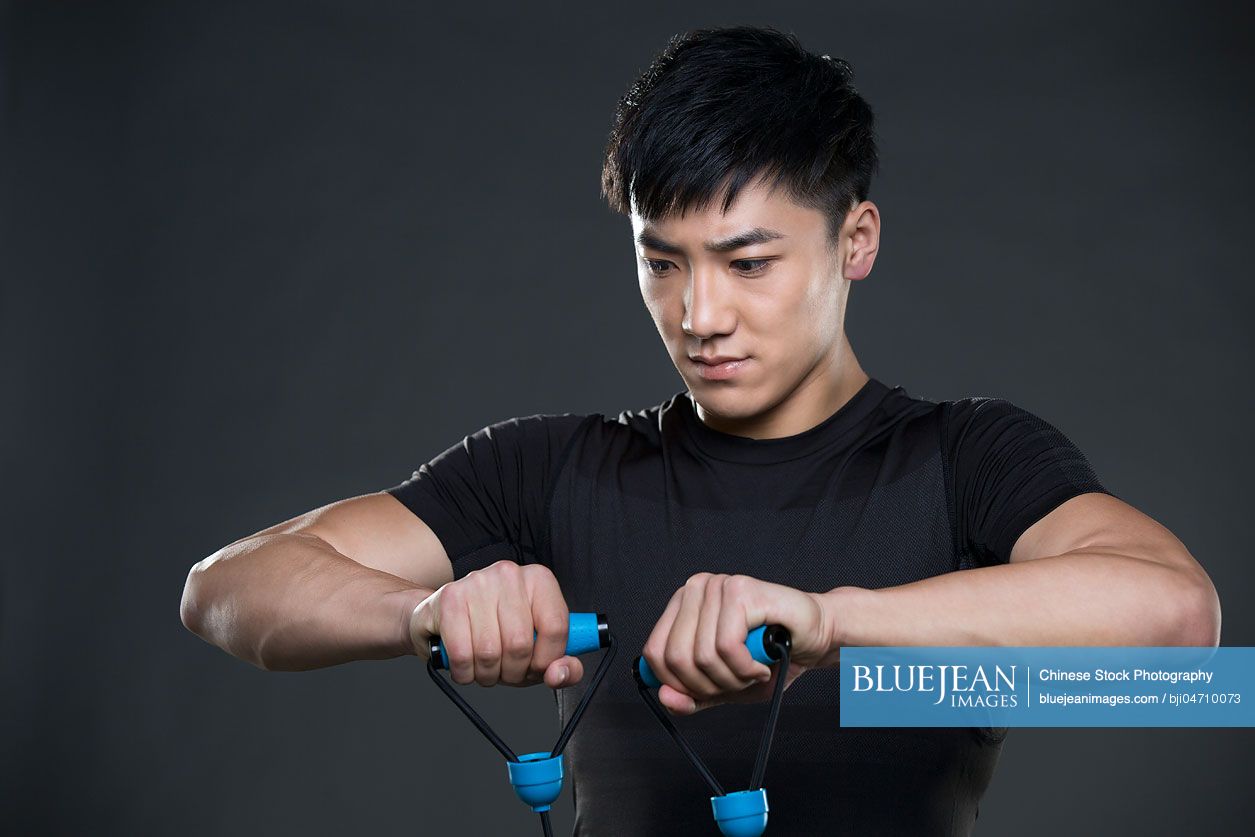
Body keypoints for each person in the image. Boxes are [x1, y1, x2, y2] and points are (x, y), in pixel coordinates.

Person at [179, 25, 1222, 836]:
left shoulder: (965, 460)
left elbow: (1179, 632)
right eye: (661, 261)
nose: (698, 314)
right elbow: (224, 591)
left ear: (855, 241)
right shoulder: (553, 469)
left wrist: (832, 625)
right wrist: (423, 614)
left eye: (747, 262)